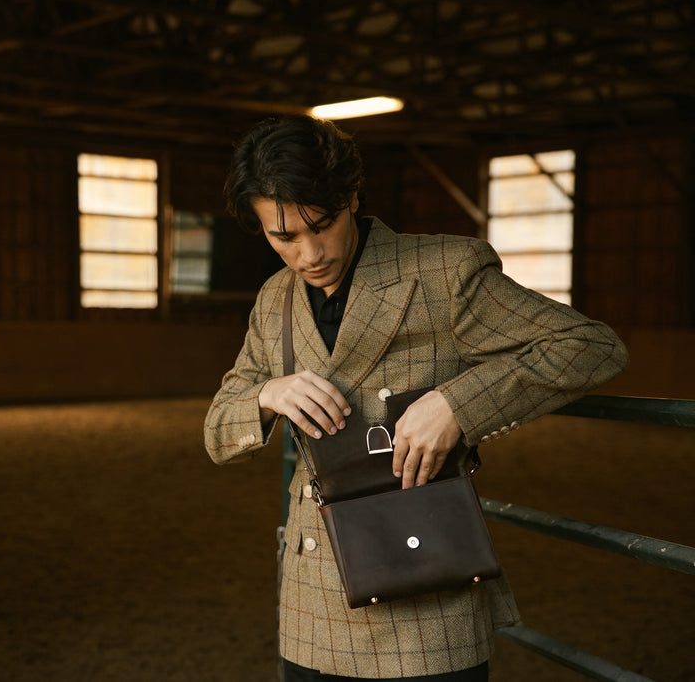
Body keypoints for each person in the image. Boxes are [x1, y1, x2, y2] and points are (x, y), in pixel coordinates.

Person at [203, 115, 629, 681]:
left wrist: (459, 404)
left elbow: (591, 345)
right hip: (312, 609)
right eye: (284, 237)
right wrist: (267, 393)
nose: (309, 254)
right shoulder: (274, 300)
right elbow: (217, 433)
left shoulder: (444, 272)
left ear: (351, 197)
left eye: (322, 224)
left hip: (427, 596)